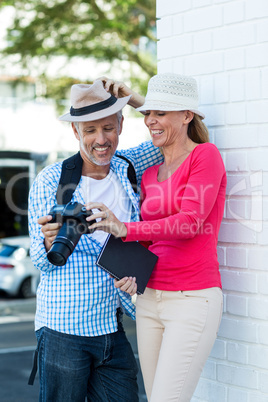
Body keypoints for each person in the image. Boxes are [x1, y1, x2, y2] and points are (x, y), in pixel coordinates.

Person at [86, 73, 227, 402]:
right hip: (149, 302)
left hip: (192, 300)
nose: (150, 121)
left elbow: (190, 222)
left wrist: (124, 227)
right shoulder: (150, 173)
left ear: (187, 116)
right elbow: (150, 241)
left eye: (160, 113)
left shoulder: (204, 157)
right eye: (147, 114)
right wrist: (128, 272)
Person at [28, 78, 163, 402]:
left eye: (108, 128)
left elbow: (172, 133)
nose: (101, 140)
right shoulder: (52, 180)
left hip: (111, 327)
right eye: (90, 130)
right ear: (76, 133)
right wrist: (48, 244)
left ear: (120, 125)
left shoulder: (128, 165)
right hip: (63, 330)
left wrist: (132, 98)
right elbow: (39, 261)